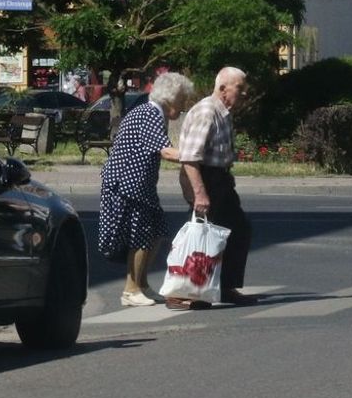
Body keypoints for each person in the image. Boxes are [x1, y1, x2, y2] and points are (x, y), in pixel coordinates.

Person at [98, 72, 195, 307]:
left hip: (139, 185)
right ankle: (131, 290)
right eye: (182, 99)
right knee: (141, 235)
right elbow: (165, 150)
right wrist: (197, 155)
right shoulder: (149, 113)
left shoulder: (151, 113)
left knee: (157, 231)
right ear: (170, 97)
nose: (183, 106)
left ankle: (141, 284)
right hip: (127, 184)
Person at [174, 66, 257, 309]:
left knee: (237, 229)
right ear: (222, 89)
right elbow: (189, 157)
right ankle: (185, 291)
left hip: (220, 178)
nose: (244, 94)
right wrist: (200, 193)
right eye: (239, 89)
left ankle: (224, 287)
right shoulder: (207, 111)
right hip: (203, 176)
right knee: (200, 236)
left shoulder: (223, 112)